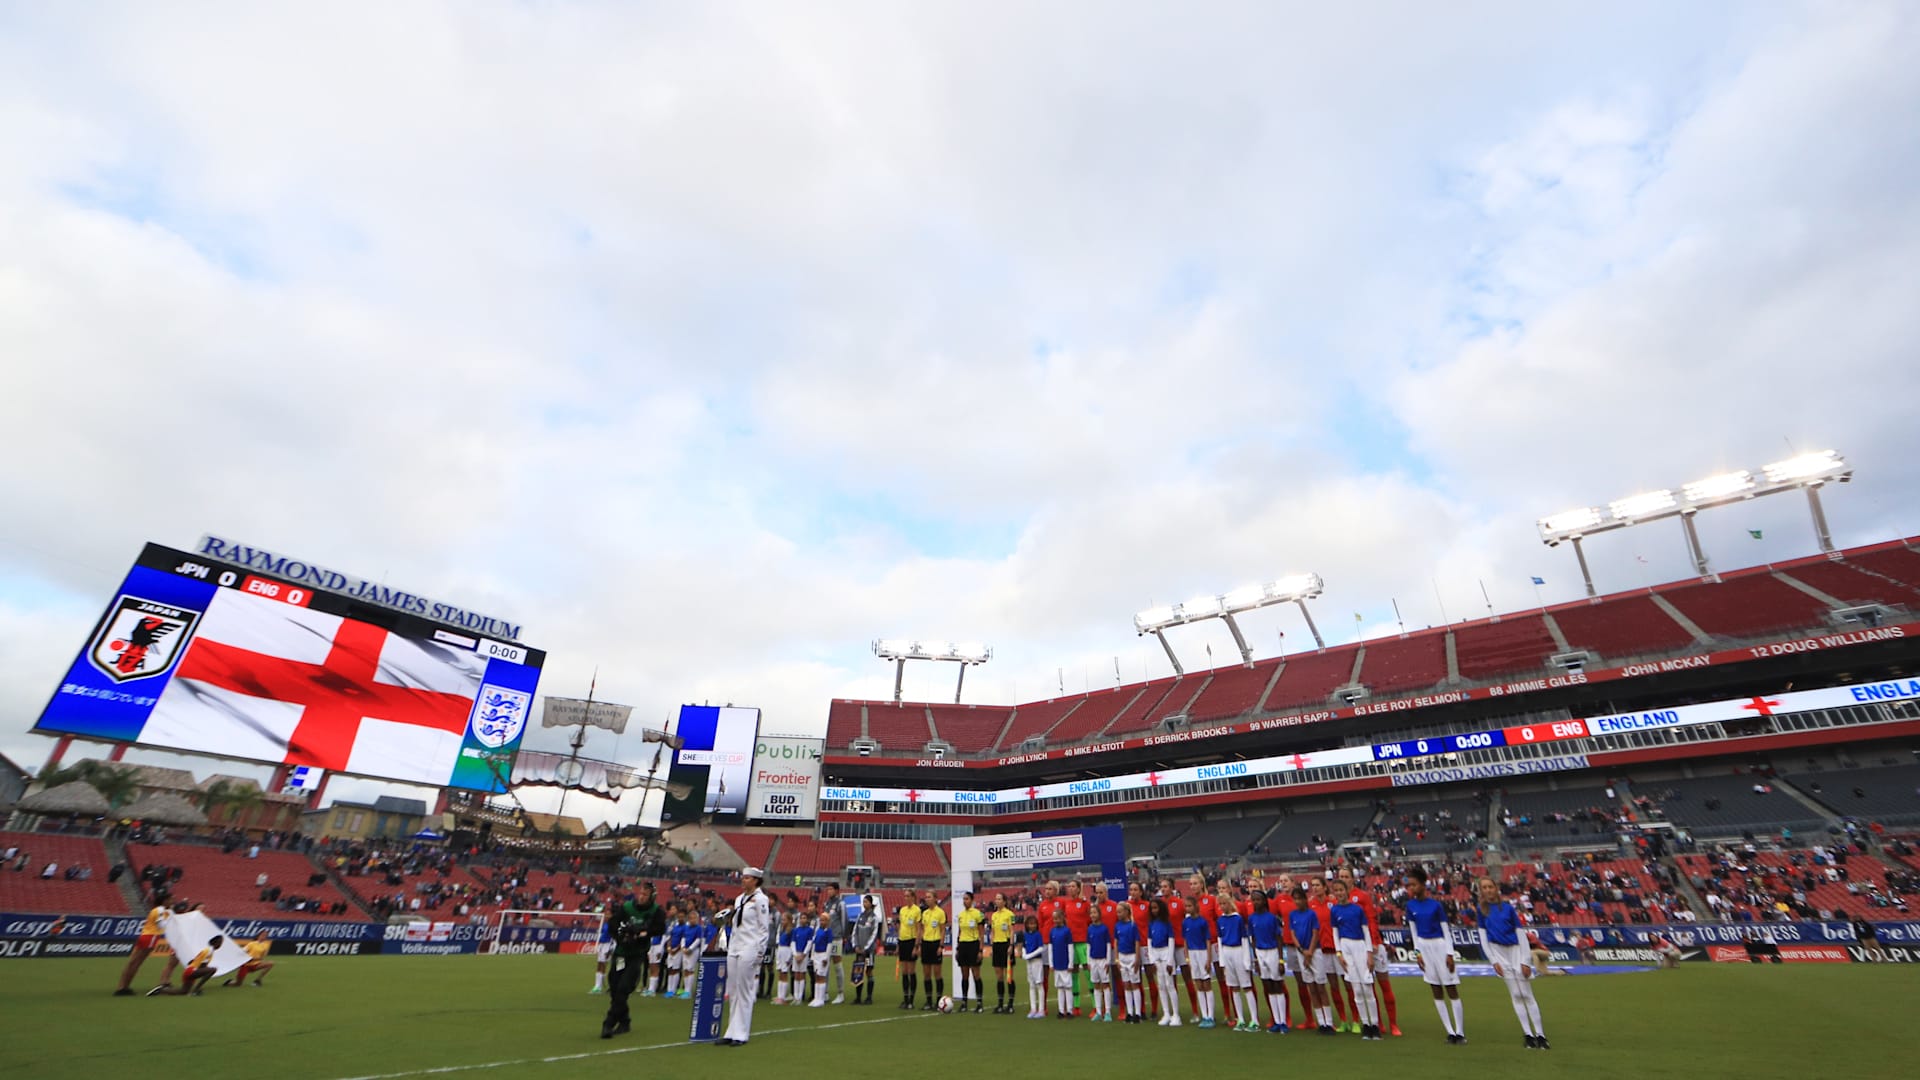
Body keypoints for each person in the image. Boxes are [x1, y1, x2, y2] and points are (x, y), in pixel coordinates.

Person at [1477, 877, 1549, 1050]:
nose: (1487, 890)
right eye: (1484, 887)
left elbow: (1520, 934)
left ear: (1496, 888)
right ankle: (1528, 1035)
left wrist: (1525, 960)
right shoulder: (1481, 911)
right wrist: (1493, 961)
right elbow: (1483, 938)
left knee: (1526, 994)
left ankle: (1541, 1035)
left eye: (1490, 886)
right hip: (1499, 952)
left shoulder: (1508, 908)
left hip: (1516, 950)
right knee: (1515, 995)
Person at [1404, 868, 1464, 1044]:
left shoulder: (1436, 905)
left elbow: (1446, 930)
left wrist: (1450, 953)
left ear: (1423, 884)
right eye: (1409, 885)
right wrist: (1418, 954)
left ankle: (1460, 1032)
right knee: (1436, 989)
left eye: (1414, 884)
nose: (1412, 888)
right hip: (1424, 947)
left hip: (1439, 945)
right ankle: (1450, 1032)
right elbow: (1414, 933)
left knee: (1451, 988)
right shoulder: (1410, 906)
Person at [600, 883, 664, 1039]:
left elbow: (659, 928)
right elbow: (613, 925)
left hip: (637, 954)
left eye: (645, 894)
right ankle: (625, 1020)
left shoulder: (656, 911)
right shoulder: (627, 907)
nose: (641, 896)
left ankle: (608, 1023)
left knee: (624, 987)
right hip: (621, 953)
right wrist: (622, 935)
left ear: (652, 897)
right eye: (641, 893)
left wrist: (644, 932)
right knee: (615, 986)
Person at [716, 866, 772, 1047]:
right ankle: (731, 1030)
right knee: (732, 989)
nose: (743, 880)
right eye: (743, 877)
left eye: (747, 878)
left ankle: (741, 1033)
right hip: (735, 945)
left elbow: (764, 928)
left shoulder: (761, 900)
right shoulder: (740, 899)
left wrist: (760, 951)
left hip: (750, 946)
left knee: (745, 990)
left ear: (755, 881)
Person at [1330, 880, 1381, 1040]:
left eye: (1341, 890)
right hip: (1346, 948)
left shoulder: (1357, 909)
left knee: (1367, 988)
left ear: (1347, 891)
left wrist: (1369, 953)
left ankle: (1375, 1025)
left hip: (1360, 946)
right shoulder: (1335, 910)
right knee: (1356, 989)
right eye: (1336, 890)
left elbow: (1366, 931)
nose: (1339, 893)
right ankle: (1366, 1025)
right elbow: (1335, 933)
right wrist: (1339, 954)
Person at [1287, 887, 1333, 1034]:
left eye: (1300, 898)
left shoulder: (1311, 914)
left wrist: (1310, 952)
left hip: (1315, 952)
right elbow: (1293, 934)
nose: (1297, 901)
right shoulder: (1292, 915)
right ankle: (1321, 1022)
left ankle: (1329, 1022)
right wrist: (1301, 951)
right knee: (1311, 988)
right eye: (1295, 899)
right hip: (1302, 952)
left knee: (1321, 987)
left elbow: (1315, 933)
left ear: (1305, 899)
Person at [1214, 881, 1257, 1032]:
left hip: (1238, 951)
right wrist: (1222, 962)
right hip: (1227, 952)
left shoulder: (1237, 918)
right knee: (1234, 988)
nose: (1223, 906)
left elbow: (1245, 939)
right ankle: (1241, 1019)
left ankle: (1254, 1020)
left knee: (1247, 986)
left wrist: (1247, 960)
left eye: (1225, 903)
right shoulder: (1220, 921)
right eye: (1220, 904)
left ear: (1230, 903)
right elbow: (1220, 941)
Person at [1248, 887, 1289, 1033]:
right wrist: (1256, 960)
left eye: (1258, 899)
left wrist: (1280, 960)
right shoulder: (1251, 918)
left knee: (1277, 985)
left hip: (1272, 951)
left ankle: (1283, 1021)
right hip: (1260, 952)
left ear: (1264, 901)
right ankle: (1276, 1021)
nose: (1255, 902)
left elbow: (1279, 939)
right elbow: (1253, 939)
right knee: (1268, 986)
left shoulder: (1272, 918)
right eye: (1253, 900)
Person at [114, 897, 173, 996]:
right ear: (164, 900)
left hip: (145, 935)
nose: (172, 902)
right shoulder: (161, 910)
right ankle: (125, 988)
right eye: (170, 900)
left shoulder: (156, 910)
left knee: (132, 962)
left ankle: (121, 986)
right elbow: (161, 925)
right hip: (152, 936)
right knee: (136, 963)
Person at [1180, 898, 1218, 1028]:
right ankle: (1204, 1015)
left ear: (1196, 906)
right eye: (1186, 906)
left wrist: (1208, 959)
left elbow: (1208, 940)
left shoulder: (1203, 922)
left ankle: (1211, 1016)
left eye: (1190, 906)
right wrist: (1187, 958)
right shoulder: (1185, 922)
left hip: (1202, 952)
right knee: (1198, 985)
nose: (1187, 908)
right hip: (1192, 953)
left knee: (1206, 983)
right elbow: (1185, 940)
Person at [149, 936, 224, 997]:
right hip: (191, 971)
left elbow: (193, 961)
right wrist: (206, 970)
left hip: (190, 971)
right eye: (220, 942)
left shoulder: (208, 950)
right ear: (216, 943)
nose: (220, 945)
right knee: (213, 970)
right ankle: (196, 990)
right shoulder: (209, 951)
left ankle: (161, 990)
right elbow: (202, 966)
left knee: (183, 991)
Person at [1147, 897, 1181, 1026]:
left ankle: (1176, 1014)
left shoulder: (1167, 923)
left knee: (1170, 984)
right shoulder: (1151, 923)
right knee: (1161, 985)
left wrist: (1170, 961)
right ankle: (1166, 1013)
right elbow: (1149, 941)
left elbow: (1171, 940)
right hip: (1156, 953)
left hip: (1166, 951)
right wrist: (1151, 960)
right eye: (1152, 908)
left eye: (1156, 908)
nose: (1154, 910)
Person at [1113, 900, 1144, 1024]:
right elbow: (1116, 942)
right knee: (1126, 985)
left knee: (1134, 984)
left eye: (1120, 912)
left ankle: (1137, 1013)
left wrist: (1137, 958)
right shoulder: (1117, 926)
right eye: (1117, 912)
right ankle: (1129, 1013)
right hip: (1122, 956)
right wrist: (1116, 958)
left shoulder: (1132, 925)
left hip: (1131, 956)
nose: (1118, 914)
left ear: (1126, 912)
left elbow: (1137, 942)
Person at [955, 892, 985, 1013]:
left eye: (967, 899)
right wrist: (957, 948)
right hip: (963, 945)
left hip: (973, 945)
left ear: (972, 900)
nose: (964, 901)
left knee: (976, 975)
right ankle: (964, 1002)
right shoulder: (961, 915)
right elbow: (960, 932)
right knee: (965, 975)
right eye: (963, 899)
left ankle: (979, 1003)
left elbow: (981, 933)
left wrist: (980, 950)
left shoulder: (978, 914)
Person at [850, 895, 882, 1004]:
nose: (864, 904)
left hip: (869, 952)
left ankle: (869, 997)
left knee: (869, 971)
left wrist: (866, 948)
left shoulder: (874, 918)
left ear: (870, 903)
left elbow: (874, 934)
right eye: (863, 902)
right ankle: (858, 997)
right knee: (858, 971)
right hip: (859, 950)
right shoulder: (860, 916)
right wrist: (855, 946)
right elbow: (854, 932)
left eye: (866, 902)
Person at [989, 893, 1018, 1013]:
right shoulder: (994, 915)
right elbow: (993, 931)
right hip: (997, 945)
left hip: (1006, 945)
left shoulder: (1010, 914)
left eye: (999, 899)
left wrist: (1011, 945)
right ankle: (1000, 1003)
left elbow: (1012, 931)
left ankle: (1010, 1004)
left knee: (1009, 976)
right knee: (999, 976)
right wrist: (992, 945)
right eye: (996, 899)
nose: (997, 901)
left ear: (1005, 901)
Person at [918, 891, 947, 1011]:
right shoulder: (924, 913)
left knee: (937, 973)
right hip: (926, 943)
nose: (927, 899)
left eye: (929, 897)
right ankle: (928, 1001)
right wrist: (919, 944)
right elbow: (922, 929)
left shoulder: (940, 912)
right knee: (926, 974)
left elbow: (942, 930)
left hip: (935, 943)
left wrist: (941, 945)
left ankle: (939, 1001)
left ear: (935, 899)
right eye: (926, 897)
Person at [1086, 903, 1114, 1022]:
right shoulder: (1089, 928)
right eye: (1091, 913)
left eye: (1095, 912)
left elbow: (1108, 945)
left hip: (1103, 960)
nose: (1092, 915)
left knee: (1106, 985)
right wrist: (1088, 961)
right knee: (1096, 985)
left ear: (1099, 914)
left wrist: (1108, 961)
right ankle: (1098, 1011)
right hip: (1093, 960)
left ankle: (1107, 1011)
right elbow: (1088, 945)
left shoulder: (1104, 928)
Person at [896, 889, 922, 1010]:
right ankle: (905, 999)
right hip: (903, 941)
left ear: (913, 897)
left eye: (908, 896)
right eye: (904, 896)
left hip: (911, 941)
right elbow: (901, 927)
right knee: (904, 972)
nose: (906, 898)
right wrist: (898, 944)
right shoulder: (902, 910)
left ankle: (911, 999)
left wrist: (916, 946)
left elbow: (918, 929)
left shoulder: (917, 910)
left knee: (911, 971)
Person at [1048, 908, 1076, 1019]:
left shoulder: (1067, 931)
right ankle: (1061, 1010)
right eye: (1054, 918)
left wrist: (1070, 964)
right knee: (1059, 987)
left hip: (1065, 964)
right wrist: (1051, 964)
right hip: (1056, 964)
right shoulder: (1052, 931)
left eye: (1057, 918)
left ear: (1062, 918)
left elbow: (1070, 948)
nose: (1055, 920)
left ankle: (1069, 1010)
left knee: (1068, 987)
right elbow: (1050, 949)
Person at [1021, 914, 1048, 1019]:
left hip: (1037, 961)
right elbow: (1024, 946)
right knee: (1031, 985)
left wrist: (1030, 955)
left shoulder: (1038, 935)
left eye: (1033, 924)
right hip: (1029, 962)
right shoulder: (1026, 935)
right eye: (1030, 924)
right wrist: (1024, 954)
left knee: (1039, 984)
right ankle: (1033, 1008)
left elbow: (1041, 948)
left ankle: (1041, 1009)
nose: (1031, 926)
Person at [789, 910, 816, 1005]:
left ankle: (800, 997)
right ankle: (795, 997)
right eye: (801, 918)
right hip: (796, 954)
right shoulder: (796, 930)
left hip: (803, 955)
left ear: (807, 920)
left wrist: (804, 954)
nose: (802, 920)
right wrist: (795, 954)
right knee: (796, 974)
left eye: (804, 918)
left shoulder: (809, 930)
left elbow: (809, 943)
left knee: (802, 974)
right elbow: (793, 942)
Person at [808, 910, 835, 1007]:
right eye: (821, 920)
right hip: (816, 955)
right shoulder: (818, 930)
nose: (821, 922)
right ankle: (816, 997)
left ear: (827, 921)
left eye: (823, 920)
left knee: (822, 976)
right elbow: (814, 943)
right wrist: (812, 956)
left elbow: (829, 945)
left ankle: (821, 999)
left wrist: (826, 958)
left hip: (823, 954)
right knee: (817, 976)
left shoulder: (828, 932)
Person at [773, 912, 796, 1005]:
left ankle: (783, 997)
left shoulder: (791, 931)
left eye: (784, 920)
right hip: (780, 950)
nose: (782, 921)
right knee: (780, 973)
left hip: (786, 951)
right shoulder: (782, 929)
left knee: (784, 973)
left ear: (789, 920)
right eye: (782, 919)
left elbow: (792, 944)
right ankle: (779, 996)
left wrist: (790, 957)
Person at [591, 919, 614, 994]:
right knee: (600, 965)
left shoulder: (612, 924)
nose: (606, 916)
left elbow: (613, 937)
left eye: (608, 914)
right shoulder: (604, 924)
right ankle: (598, 985)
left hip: (607, 945)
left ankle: (599, 986)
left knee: (603, 965)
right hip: (602, 945)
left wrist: (610, 948)